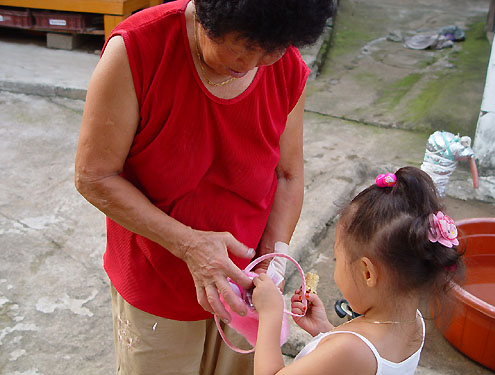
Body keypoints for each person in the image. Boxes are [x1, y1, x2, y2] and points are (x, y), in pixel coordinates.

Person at [74, 0, 333, 373]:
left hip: (246, 289)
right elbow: (94, 176)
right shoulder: (137, 50)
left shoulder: (285, 68)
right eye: (243, 43)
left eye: (271, 50)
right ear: (211, 13)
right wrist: (190, 245)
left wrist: (273, 259)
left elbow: (287, 175)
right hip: (158, 285)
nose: (253, 62)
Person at [252, 166, 464, 374]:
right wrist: (325, 332)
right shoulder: (413, 322)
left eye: (337, 259)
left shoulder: (348, 349)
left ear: (367, 272)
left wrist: (270, 313)